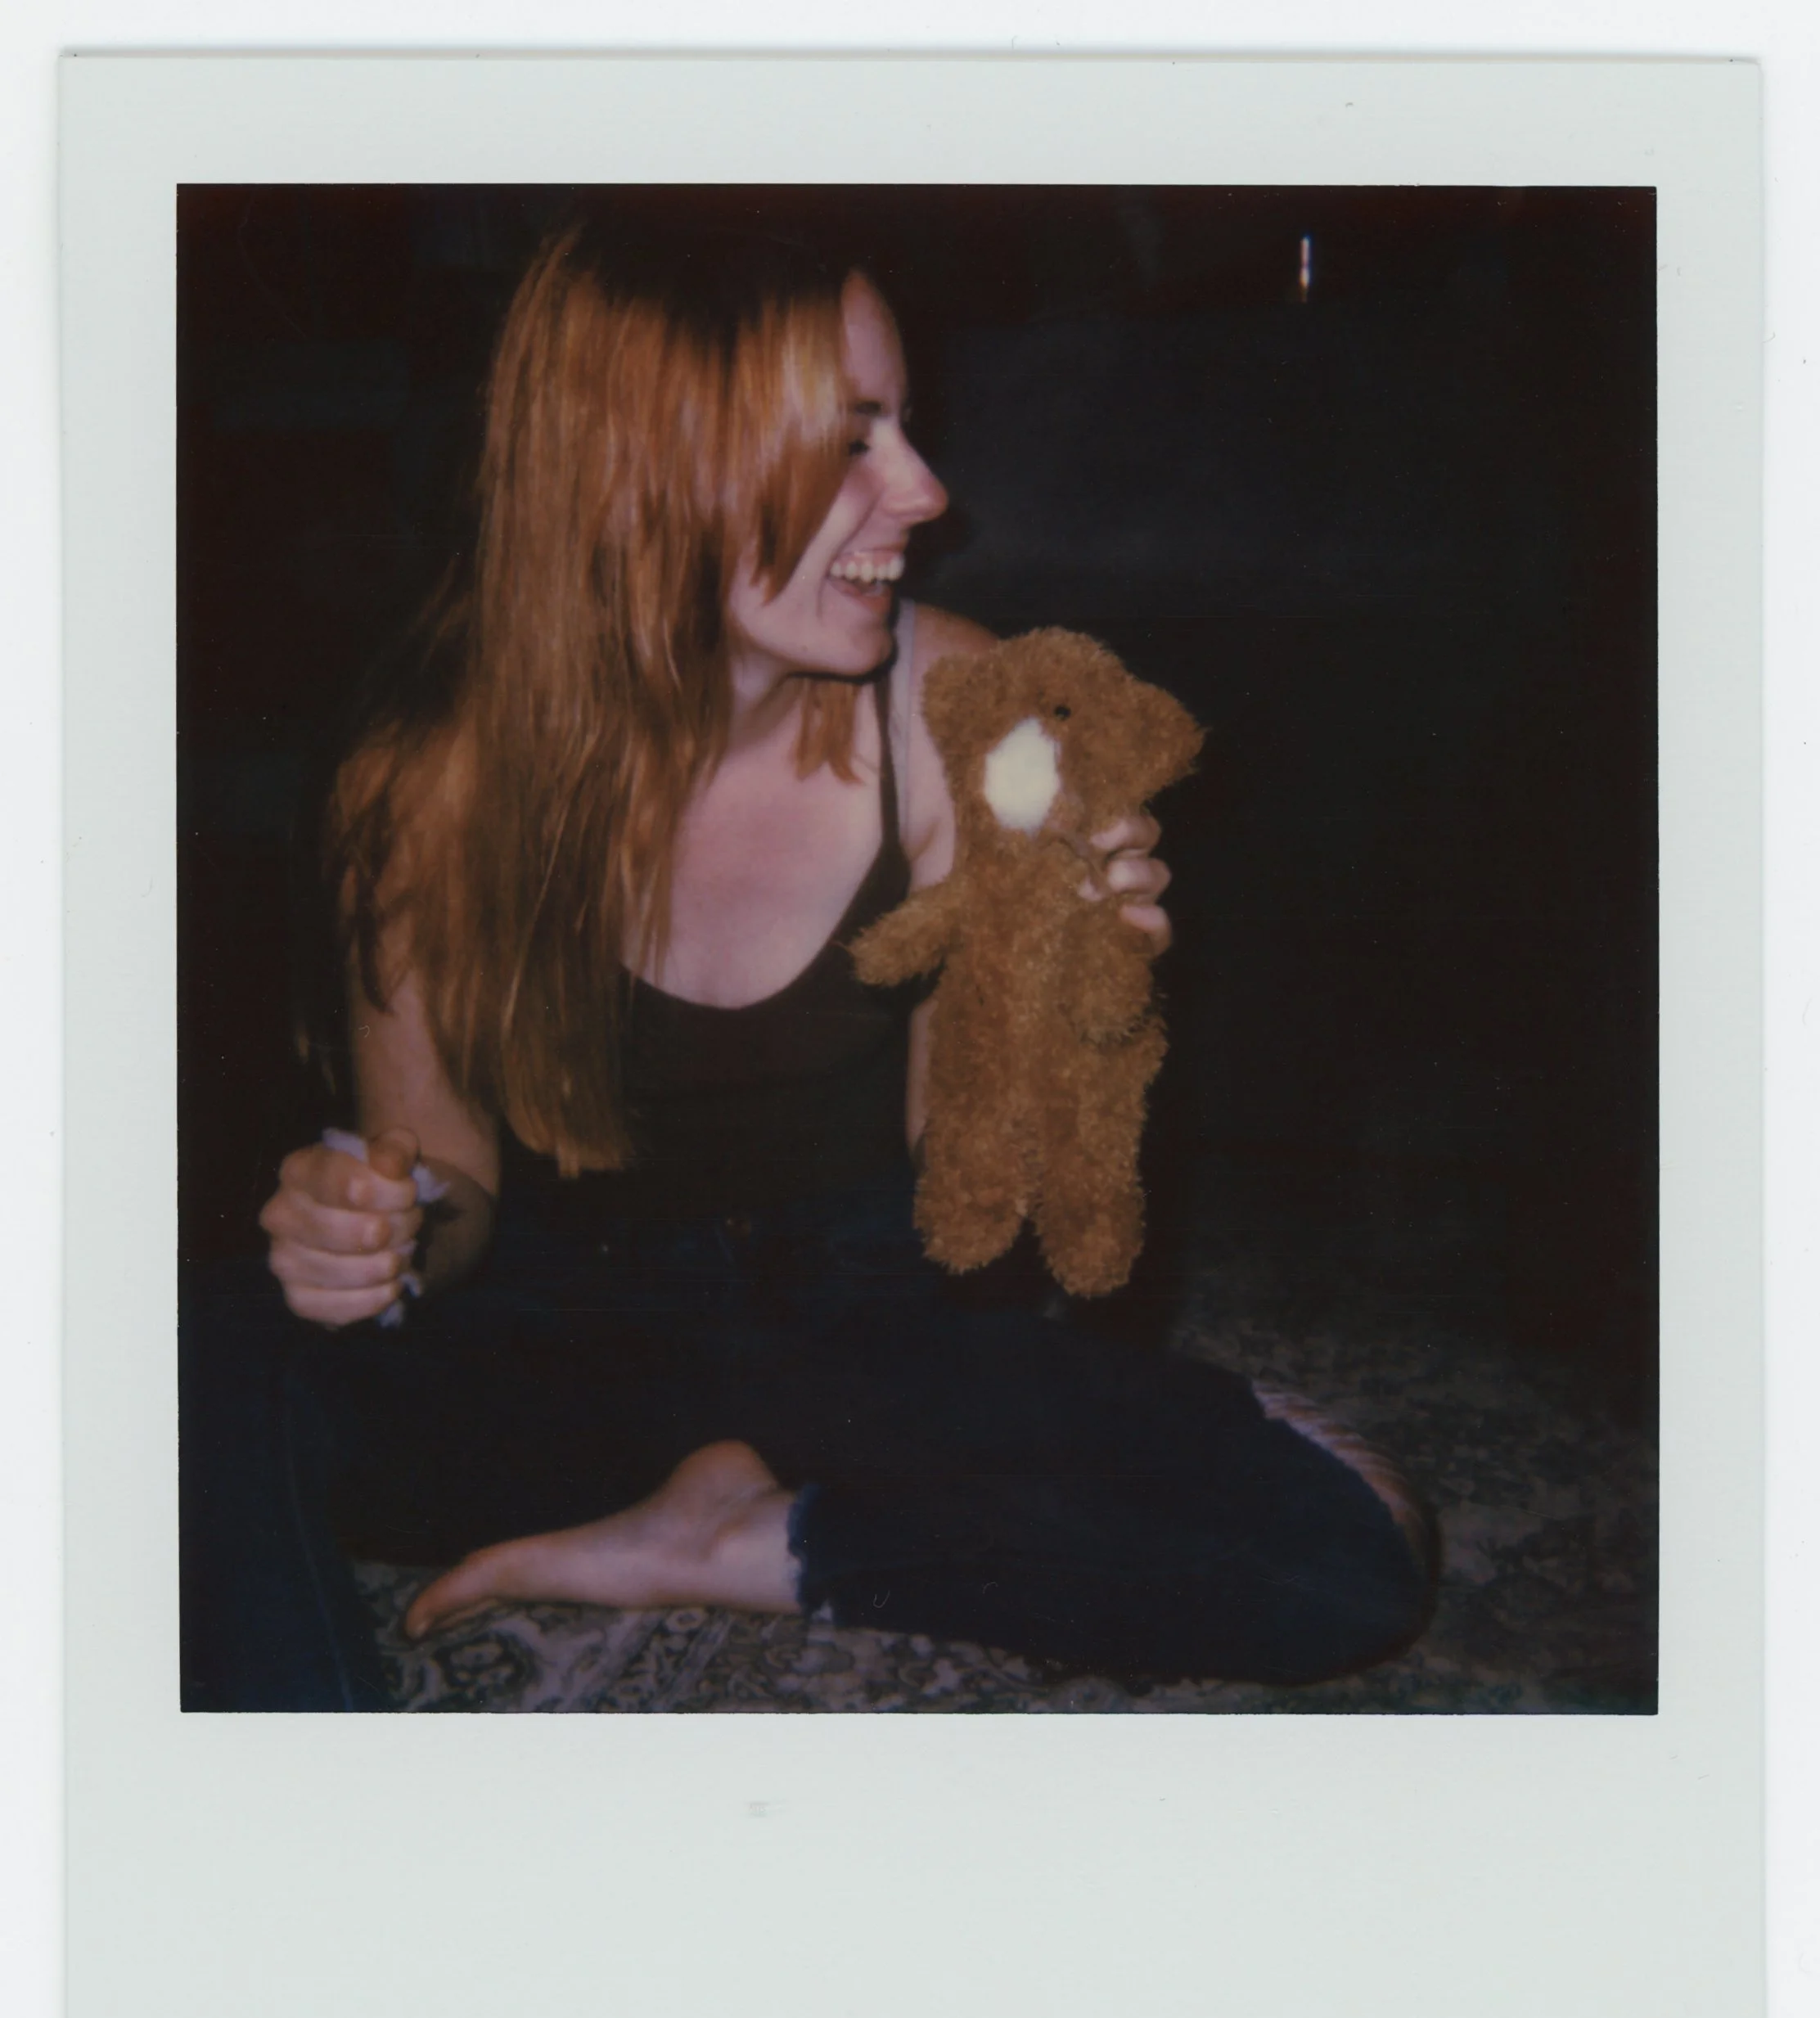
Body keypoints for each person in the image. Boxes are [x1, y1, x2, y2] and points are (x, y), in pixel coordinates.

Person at [180, 216, 1437, 1711]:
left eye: (903, 428)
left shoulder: (967, 712)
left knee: (1355, 1546)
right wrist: (372, 1236)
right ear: (641, 471)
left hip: (857, 1339)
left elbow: (992, 1254)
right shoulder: (430, 787)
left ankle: (755, 1541)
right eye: (853, 440)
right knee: (186, 1351)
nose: (924, 491)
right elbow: (447, 1192)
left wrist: (1051, 1033)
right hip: (564, 1346)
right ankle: (298, 1843)